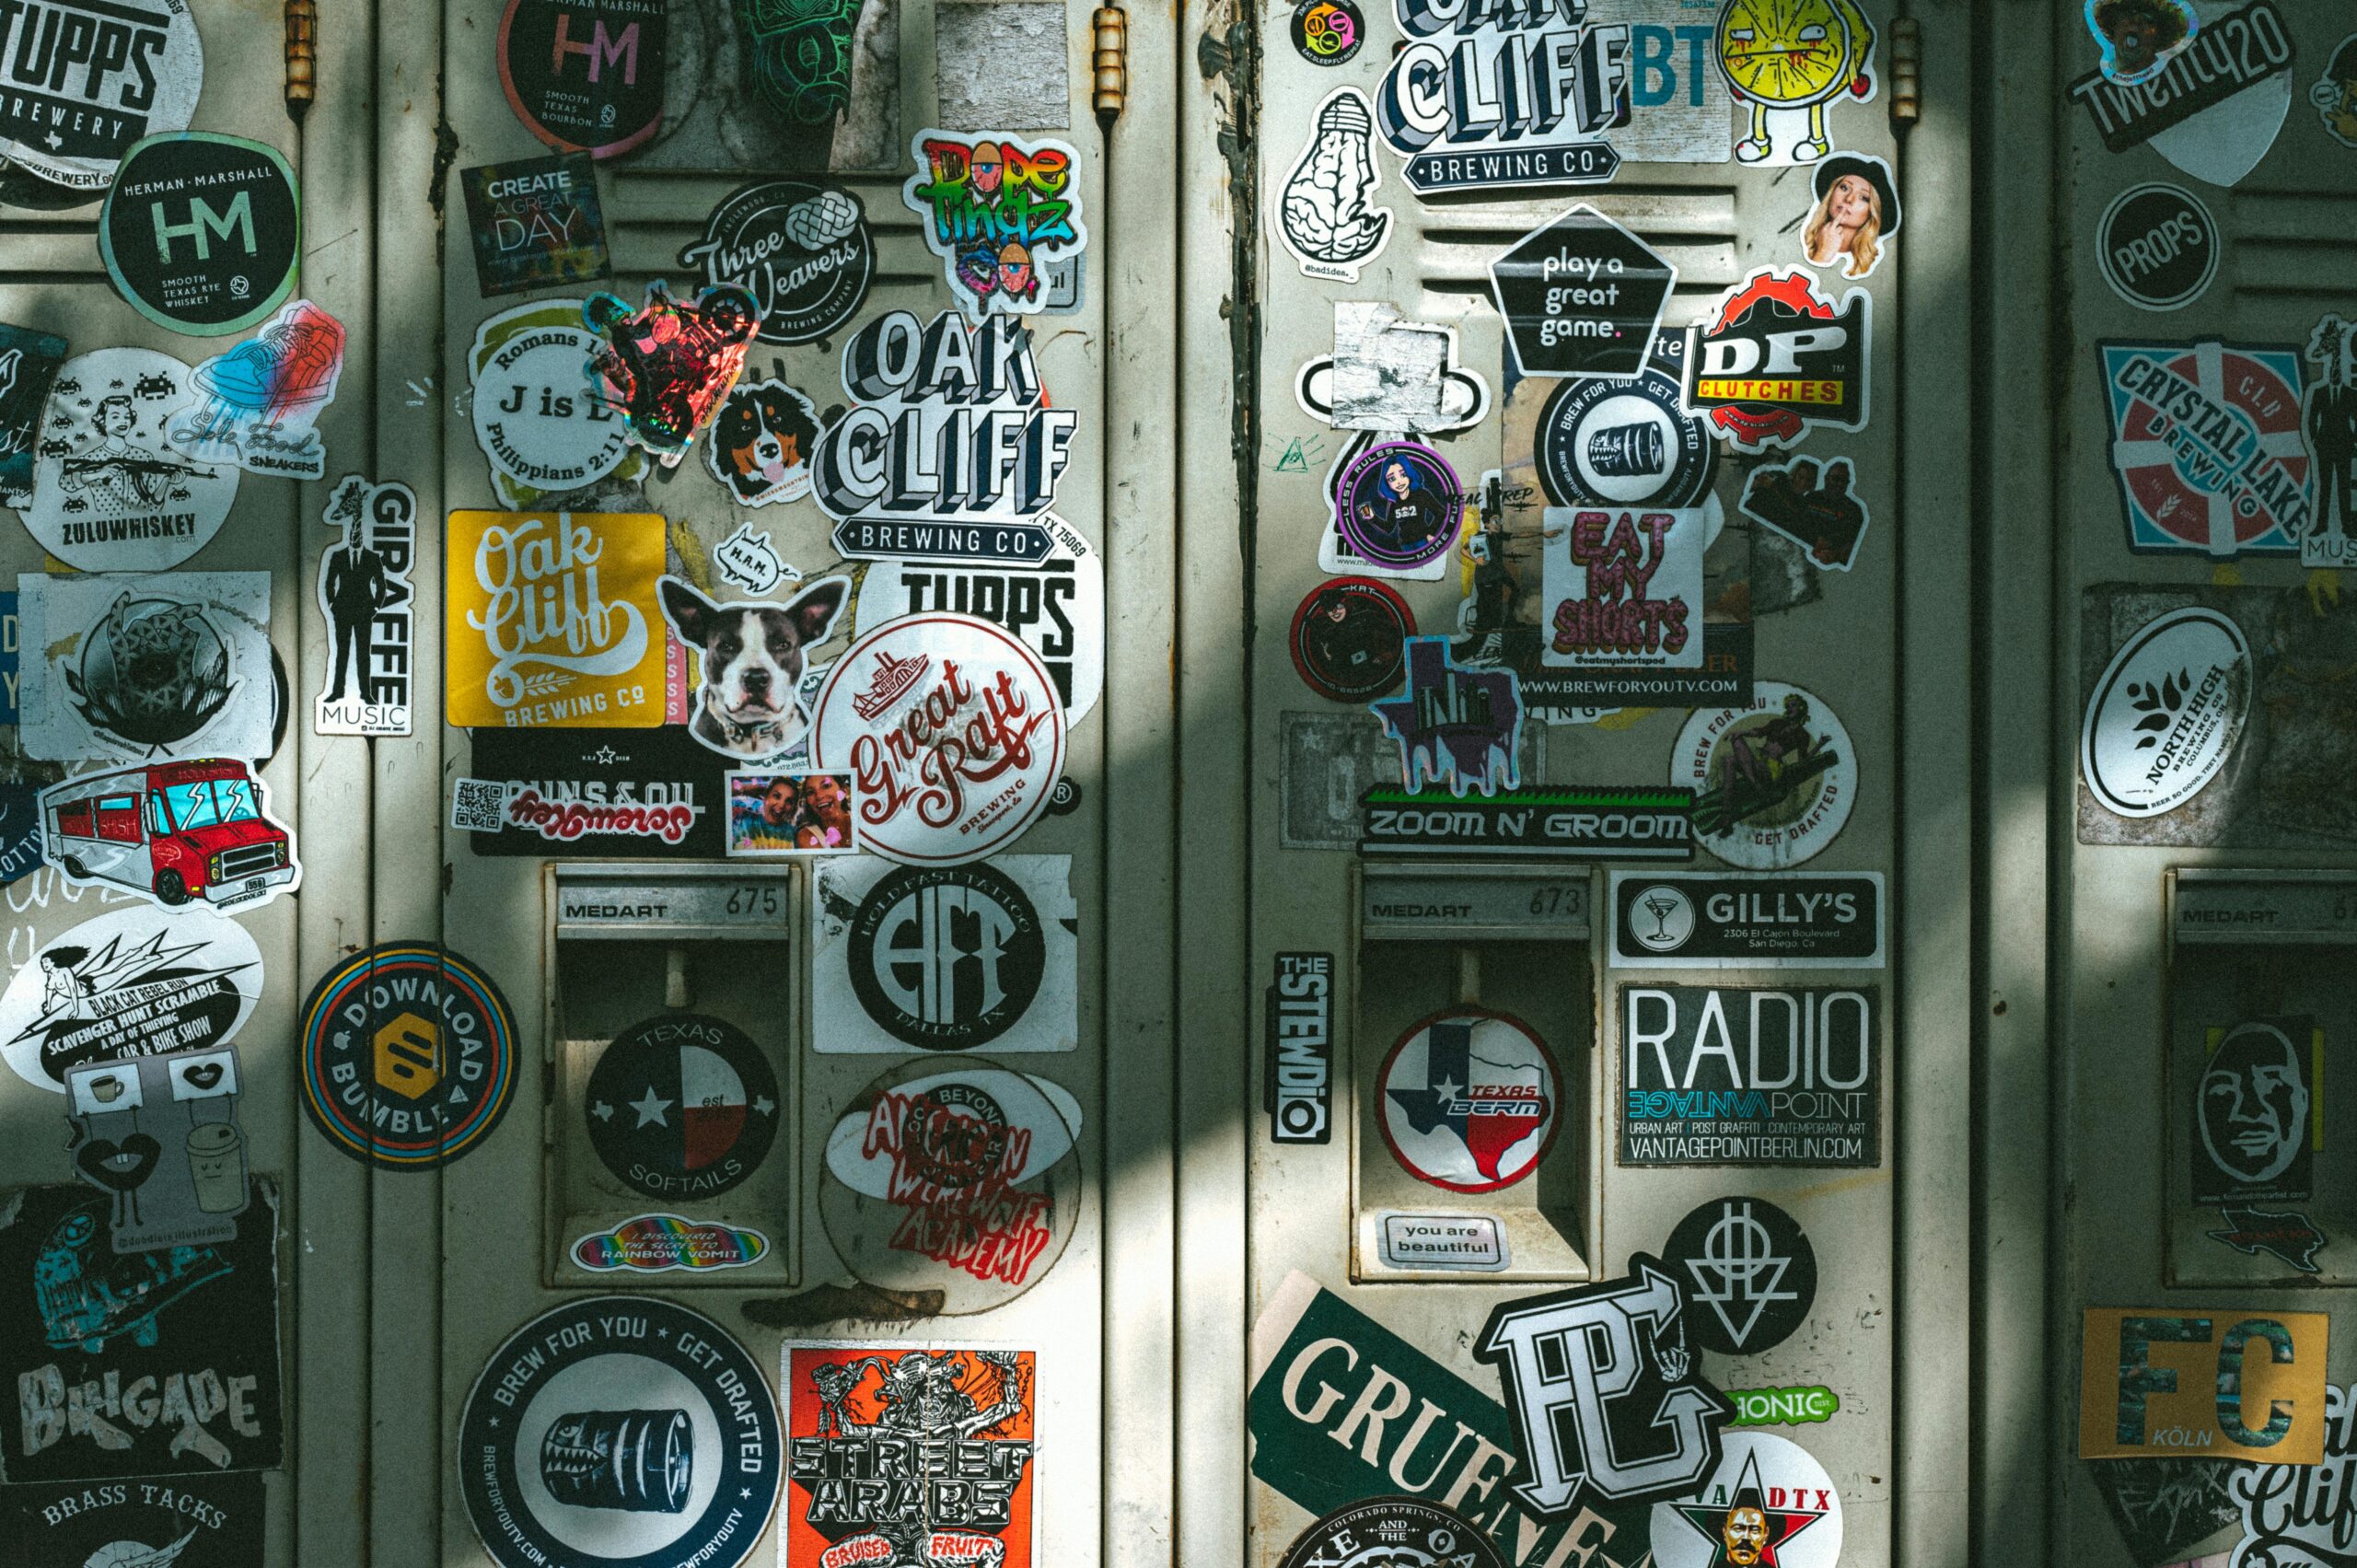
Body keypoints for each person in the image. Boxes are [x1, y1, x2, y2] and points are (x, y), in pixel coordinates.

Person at [1802, 156, 1897, 278]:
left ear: (1872, 211)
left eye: (1863, 197)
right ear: (1831, 193)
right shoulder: (1801, 242)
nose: (1848, 199)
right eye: (1844, 188)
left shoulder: (1875, 267)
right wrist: (1823, 253)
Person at [1354, 455, 1447, 561]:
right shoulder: (1393, 503)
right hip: (1405, 544)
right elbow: (1389, 527)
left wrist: (1431, 532)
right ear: (1387, 483)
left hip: (1422, 540)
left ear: (1409, 475)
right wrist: (1372, 517)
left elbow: (1440, 512)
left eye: (1402, 475)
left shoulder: (1421, 494)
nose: (1398, 481)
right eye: (1392, 479)